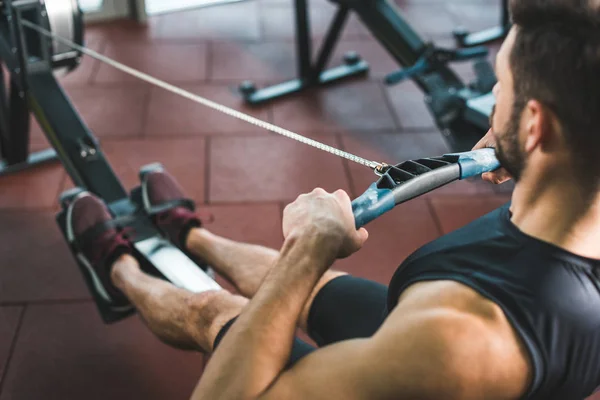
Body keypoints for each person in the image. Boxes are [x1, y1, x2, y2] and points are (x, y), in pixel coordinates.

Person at [66, 0, 600, 398]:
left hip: (434, 361)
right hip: (480, 317)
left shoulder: (459, 335)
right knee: (310, 289)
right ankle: (189, 234)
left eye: (501, 88)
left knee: (216, 312)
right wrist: (539, 154)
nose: (491, 102)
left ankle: (114, 270)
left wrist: (309, 246)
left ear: (536, 124)